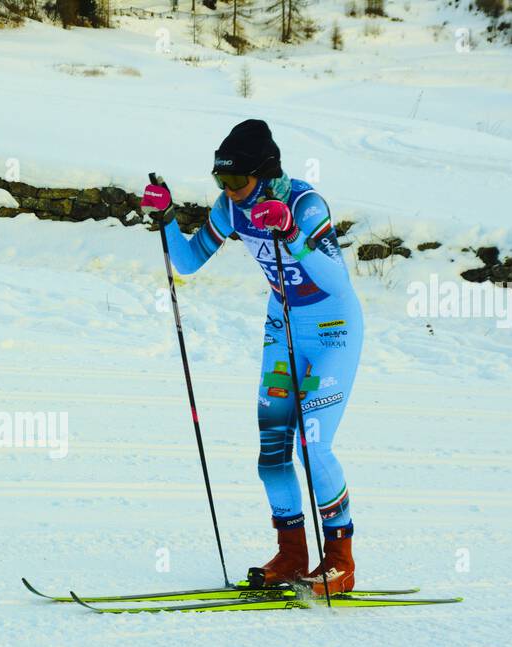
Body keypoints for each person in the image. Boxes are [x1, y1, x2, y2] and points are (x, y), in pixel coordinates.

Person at [140, 119, 364, 595]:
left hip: (332, 331)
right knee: (273, 452)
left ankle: (341, 562)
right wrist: (167, 219)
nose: (230, 191)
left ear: (264, 174)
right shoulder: (231, 209)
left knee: (314, 445)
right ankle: (291, 554)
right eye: (221, 182)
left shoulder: (304, 204)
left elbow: (336, 282)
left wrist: (294, 236)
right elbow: (187, 262)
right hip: (282, 328)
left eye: (238, 181)